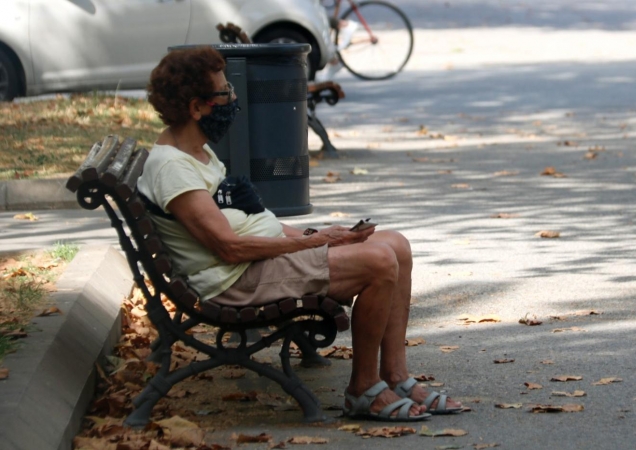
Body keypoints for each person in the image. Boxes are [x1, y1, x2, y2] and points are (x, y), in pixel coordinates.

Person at [138, 47, 462, 421]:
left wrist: (322, 234)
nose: (234, 98)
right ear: (197, 108)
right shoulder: (173, 168)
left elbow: (254, 223)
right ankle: (363, 389)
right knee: (378, 260)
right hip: (235, 279)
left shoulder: (197, 153)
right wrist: (313, 242)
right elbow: (228, 247)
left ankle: (396, 375)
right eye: (225, 92)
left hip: (256, 263)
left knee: (396, 245)